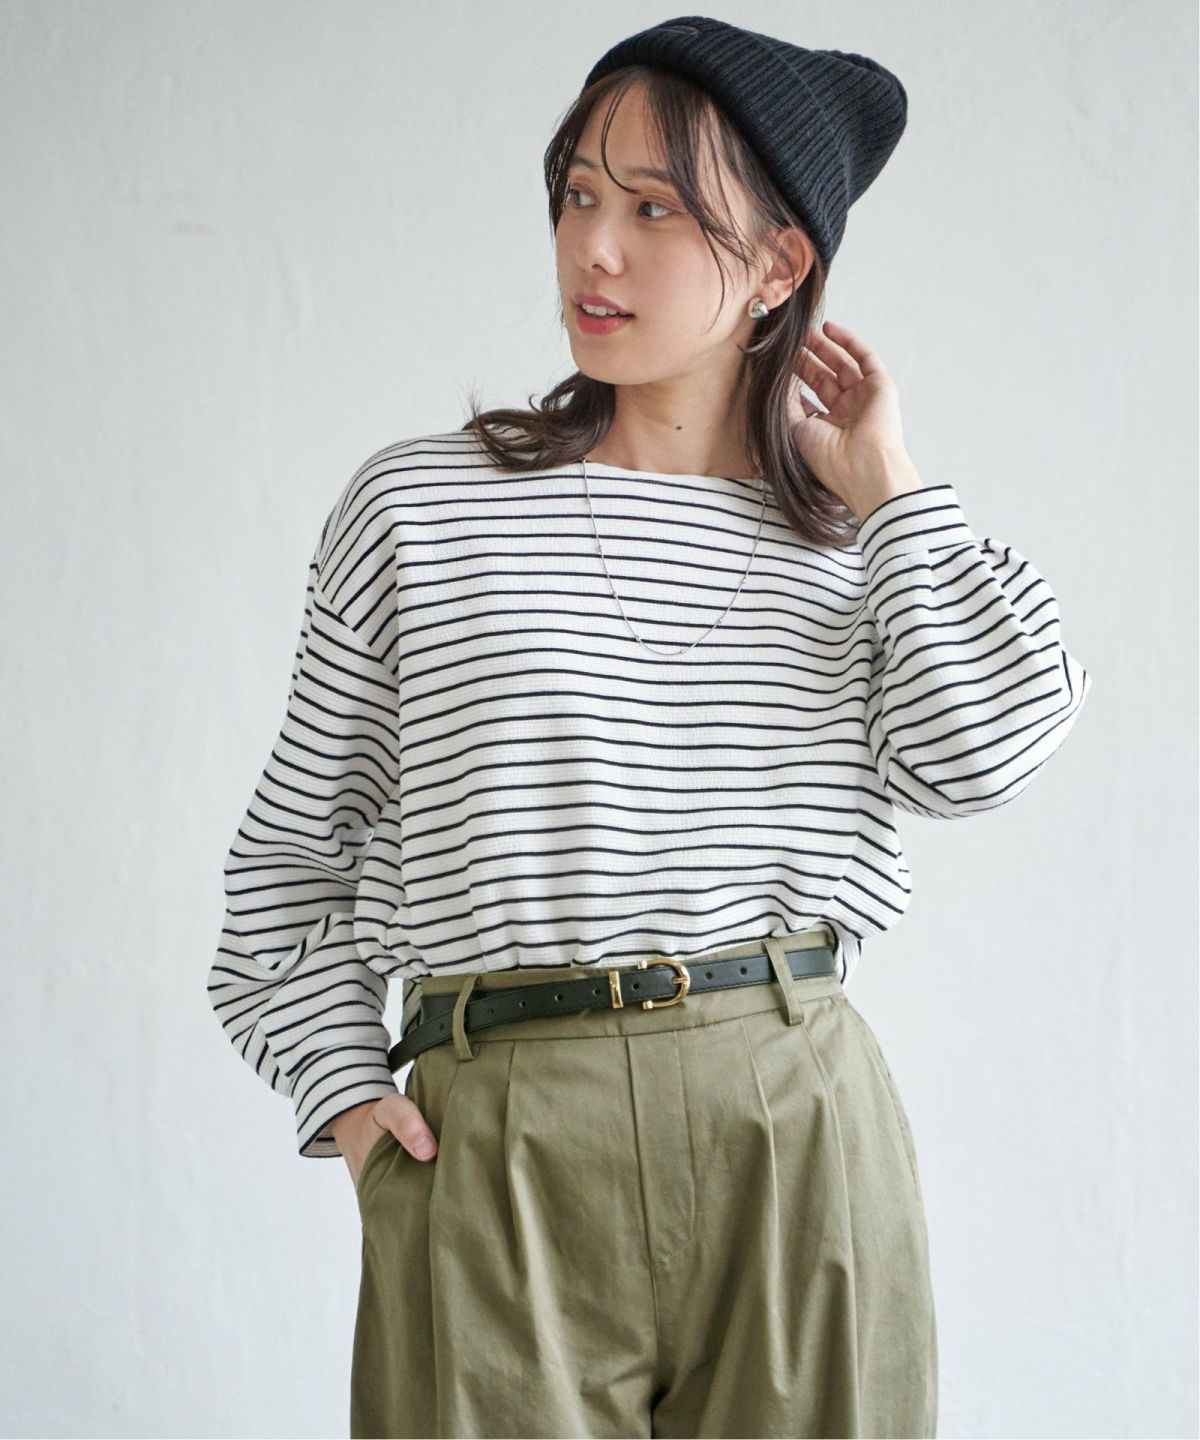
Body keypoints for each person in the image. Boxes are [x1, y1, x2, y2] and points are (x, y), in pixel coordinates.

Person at [206, 16, 1093, 1439]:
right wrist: (354, 1105)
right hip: (500, 1133)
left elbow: (985, 756)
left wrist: (892, 490)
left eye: (655, 209)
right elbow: (290, 862)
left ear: (781, 266)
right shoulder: (420, 509)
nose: (593, 250)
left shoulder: (875, 547)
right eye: (577, 195)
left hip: (790, 1123)